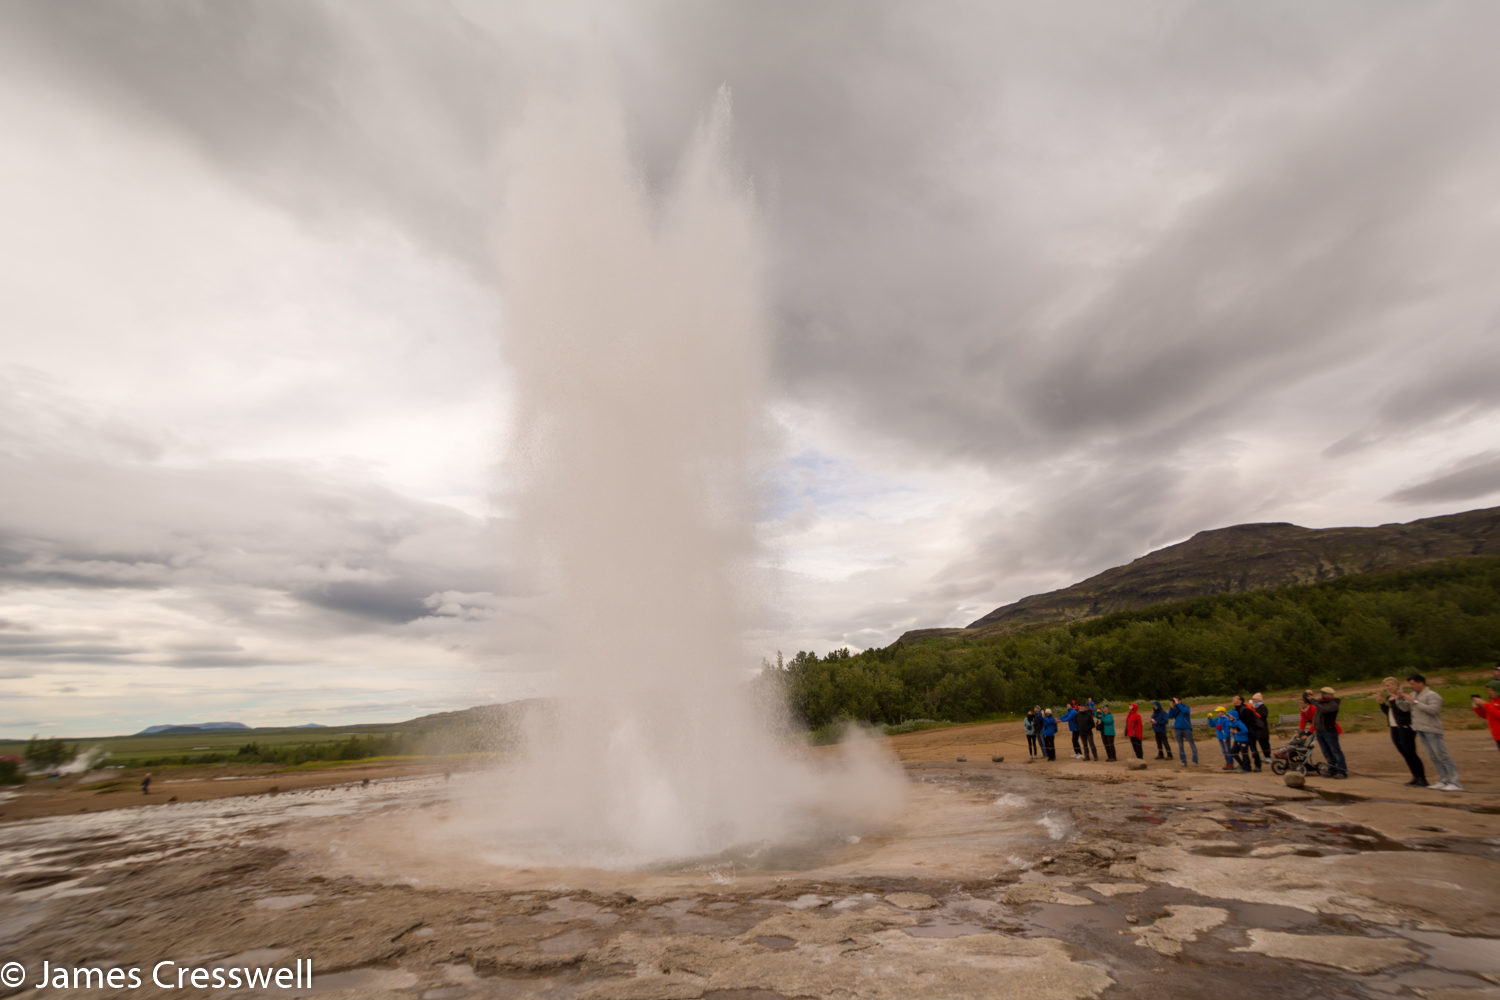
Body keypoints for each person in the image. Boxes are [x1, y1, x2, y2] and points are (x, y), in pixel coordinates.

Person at [1403, 673, 1461, 791]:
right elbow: (1405, 708)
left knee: (1442, 755)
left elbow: (1433, 710)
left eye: (1413, 684)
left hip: (1432, 729)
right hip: (1419, 728)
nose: (1411, 686)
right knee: (1433, 756)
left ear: (1421, 683)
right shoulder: (1413, 695)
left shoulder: (1432, 695)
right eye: (1410, 684)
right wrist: (1400, 700)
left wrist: (1415, 701)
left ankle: (1455, 782)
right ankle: (1443, 780)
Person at [1378, 677, 1427, 786]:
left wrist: (1395, 701)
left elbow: (1403, 712)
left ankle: (1422, 778)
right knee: (1404, 753)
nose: (1387, 688)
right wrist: (1382, 704)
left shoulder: (1402, 696)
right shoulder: (1389, 697)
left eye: (1388, 685)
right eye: (1386, 686)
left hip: (1405, 727)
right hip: (1394, 727)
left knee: (1411, 752)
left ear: (1395, 685)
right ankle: (1415, 776)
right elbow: (1389, 713)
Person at [1312, 686, 1348, 779]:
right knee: (1327, 753)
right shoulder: (1321, 702)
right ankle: (1332, 770)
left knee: (1336, 752)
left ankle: (1342, 772)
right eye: (1321, 693)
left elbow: (1323, 709)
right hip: (1320, 732)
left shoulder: (1333, 704)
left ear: (1330, 694)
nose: (1322, 695)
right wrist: (1308, 697)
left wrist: (1313, 701)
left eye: (1324, 693)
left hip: (1329, 731)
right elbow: (1317, 705)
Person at [1234, 695, 1264, 772]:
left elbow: (1247, 722)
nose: (1233, 699)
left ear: (1241, 701)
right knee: (1242, 750)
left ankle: (1258, 766)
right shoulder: (1235, 710)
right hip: (1241, 732)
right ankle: (1247, 765)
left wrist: (1238, 729)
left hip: (1250, 732)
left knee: (1253, 749)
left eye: (1236, 698)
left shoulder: (1244, 709)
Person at [1167, 697, 1198, 766]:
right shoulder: (1176, 708)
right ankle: (1183, 761)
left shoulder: (1186, 707)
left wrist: (1178, 704)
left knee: (1192, 745)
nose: (1175, 702)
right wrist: (1171, 707)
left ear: (1180, 700)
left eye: (1176, 700)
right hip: (1178, 729)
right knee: (1180, 746)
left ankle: (1195, 760)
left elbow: (1185, 711)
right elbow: (1169, 716)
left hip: (1186, 728)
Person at [1472, 688, 1500, 758]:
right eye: (1489, 690)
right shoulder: (1492, 701)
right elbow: (1488, 715)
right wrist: (1477, 708)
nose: (1489, 692)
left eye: (1491, 690)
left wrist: (1485, 704)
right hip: (1496, 734)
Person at [1250, 693, 1272, 762]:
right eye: (1253, 699)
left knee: (1264, 742)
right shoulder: (1254, 707)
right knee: (1260, 742)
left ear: (1259, 700)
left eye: (1255, 699)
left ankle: (1268, 756)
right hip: (1256, 728)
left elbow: (1263, 715)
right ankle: (1264, 756)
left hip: (1263, 728)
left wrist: (1254, 709)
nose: (1254, 701)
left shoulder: (1263, 707)